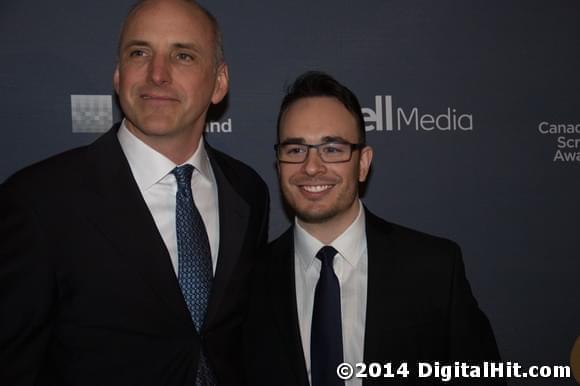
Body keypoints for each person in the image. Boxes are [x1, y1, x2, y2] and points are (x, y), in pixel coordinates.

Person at [0, 1, 269, 385]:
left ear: (219, 82)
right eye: (139, 53)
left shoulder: (247, 192)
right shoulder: (38, 201)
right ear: (118, 74)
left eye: (183, 55)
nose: (157, 74)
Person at [243, 71, 502, 386]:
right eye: (295, 150)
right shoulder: (246, 281)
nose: (311, 167)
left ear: (363, 163)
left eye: (332, 149)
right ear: (278, 164)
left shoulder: (434, 269)